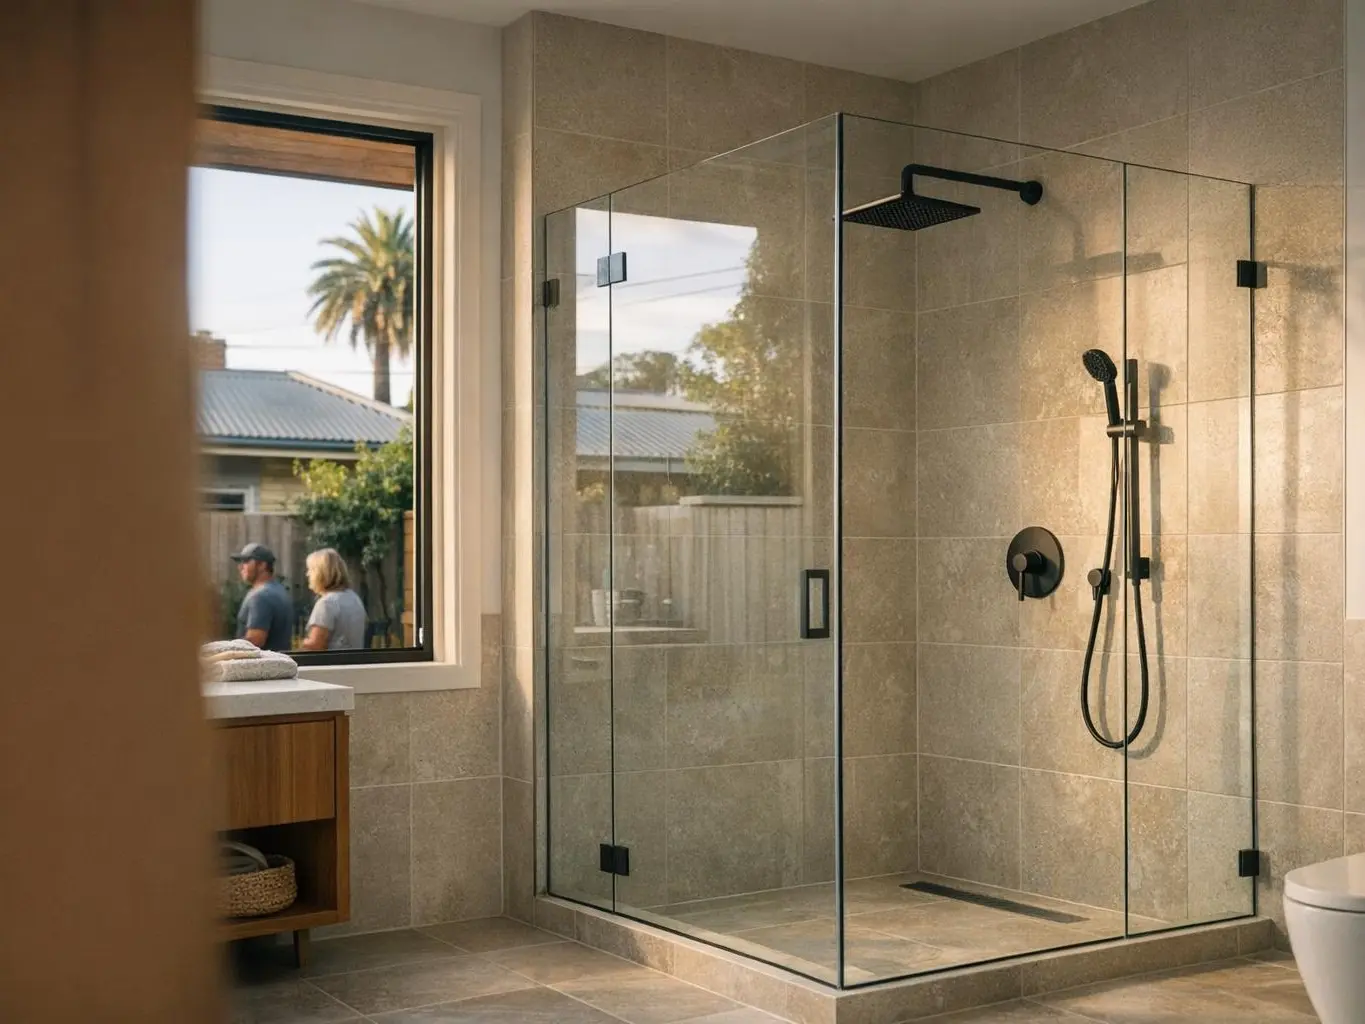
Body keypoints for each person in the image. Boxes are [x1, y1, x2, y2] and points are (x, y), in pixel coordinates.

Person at [231, 542, 295, 652]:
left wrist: (226, 650)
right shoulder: (280, 591)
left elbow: (255, 641)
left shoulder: (260, 596)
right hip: (280, 662)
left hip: (261, 666)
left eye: (246, 561)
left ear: (262, 565)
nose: (241, 567)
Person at [301, 547, 368, 651]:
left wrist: (303, 643)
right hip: (354, 664)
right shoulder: (354, 598)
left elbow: (315, 646)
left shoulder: (327, 604)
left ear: (320, 573)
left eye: (311, 570)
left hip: (332, 665)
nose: (308, 574)